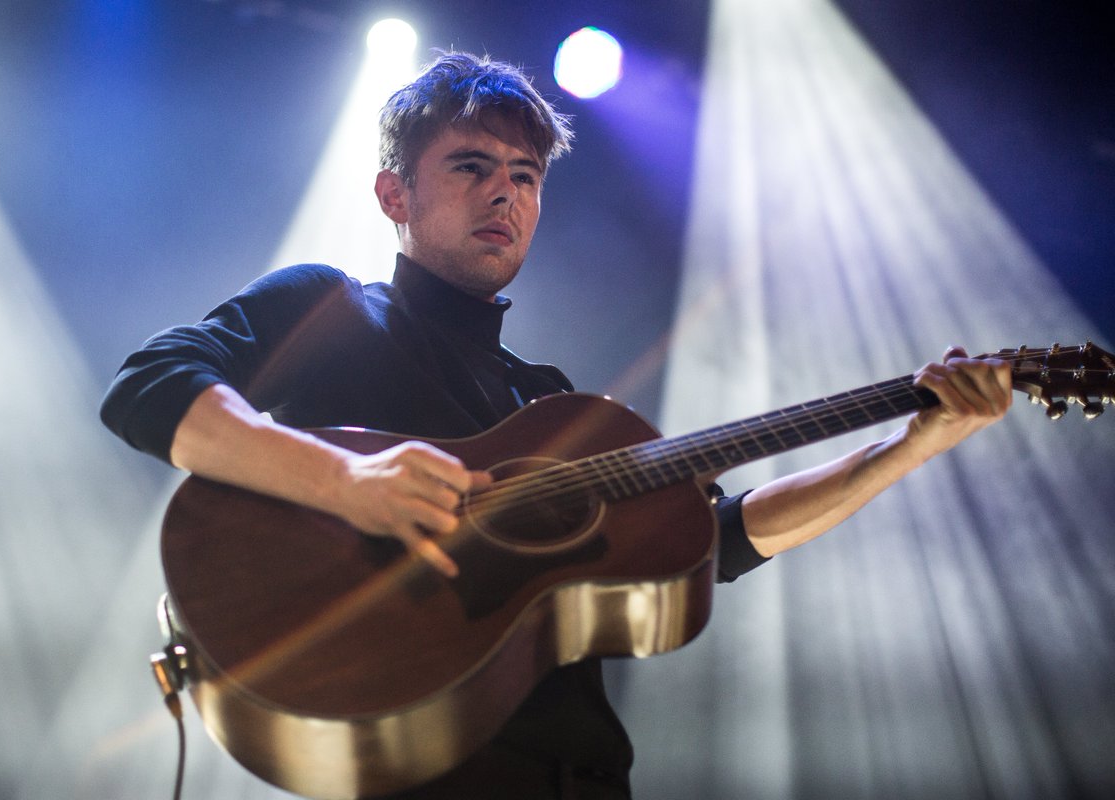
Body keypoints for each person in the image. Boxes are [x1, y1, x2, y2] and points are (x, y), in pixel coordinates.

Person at [100, 52, 1012, 799]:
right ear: (393, 195)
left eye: (526, 176)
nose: (507, 195)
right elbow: (148, 387)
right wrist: (349, 483)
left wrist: (911, 444)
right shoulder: (328, 307)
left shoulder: (555, 406)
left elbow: (722, 538)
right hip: (401, 760)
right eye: (472, 167)